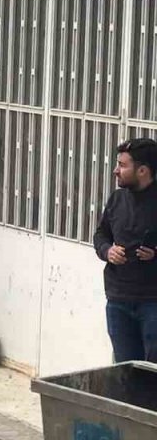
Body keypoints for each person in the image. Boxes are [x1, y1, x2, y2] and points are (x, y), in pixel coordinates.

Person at [93, 138, 157, 363]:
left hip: (152, 302)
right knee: (124, 370)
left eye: (122, 165)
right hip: (118, 299)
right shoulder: (117, 199)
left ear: (142, 170)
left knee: (151, 371)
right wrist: (107, 250)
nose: (115, 170)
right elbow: (100, 235)